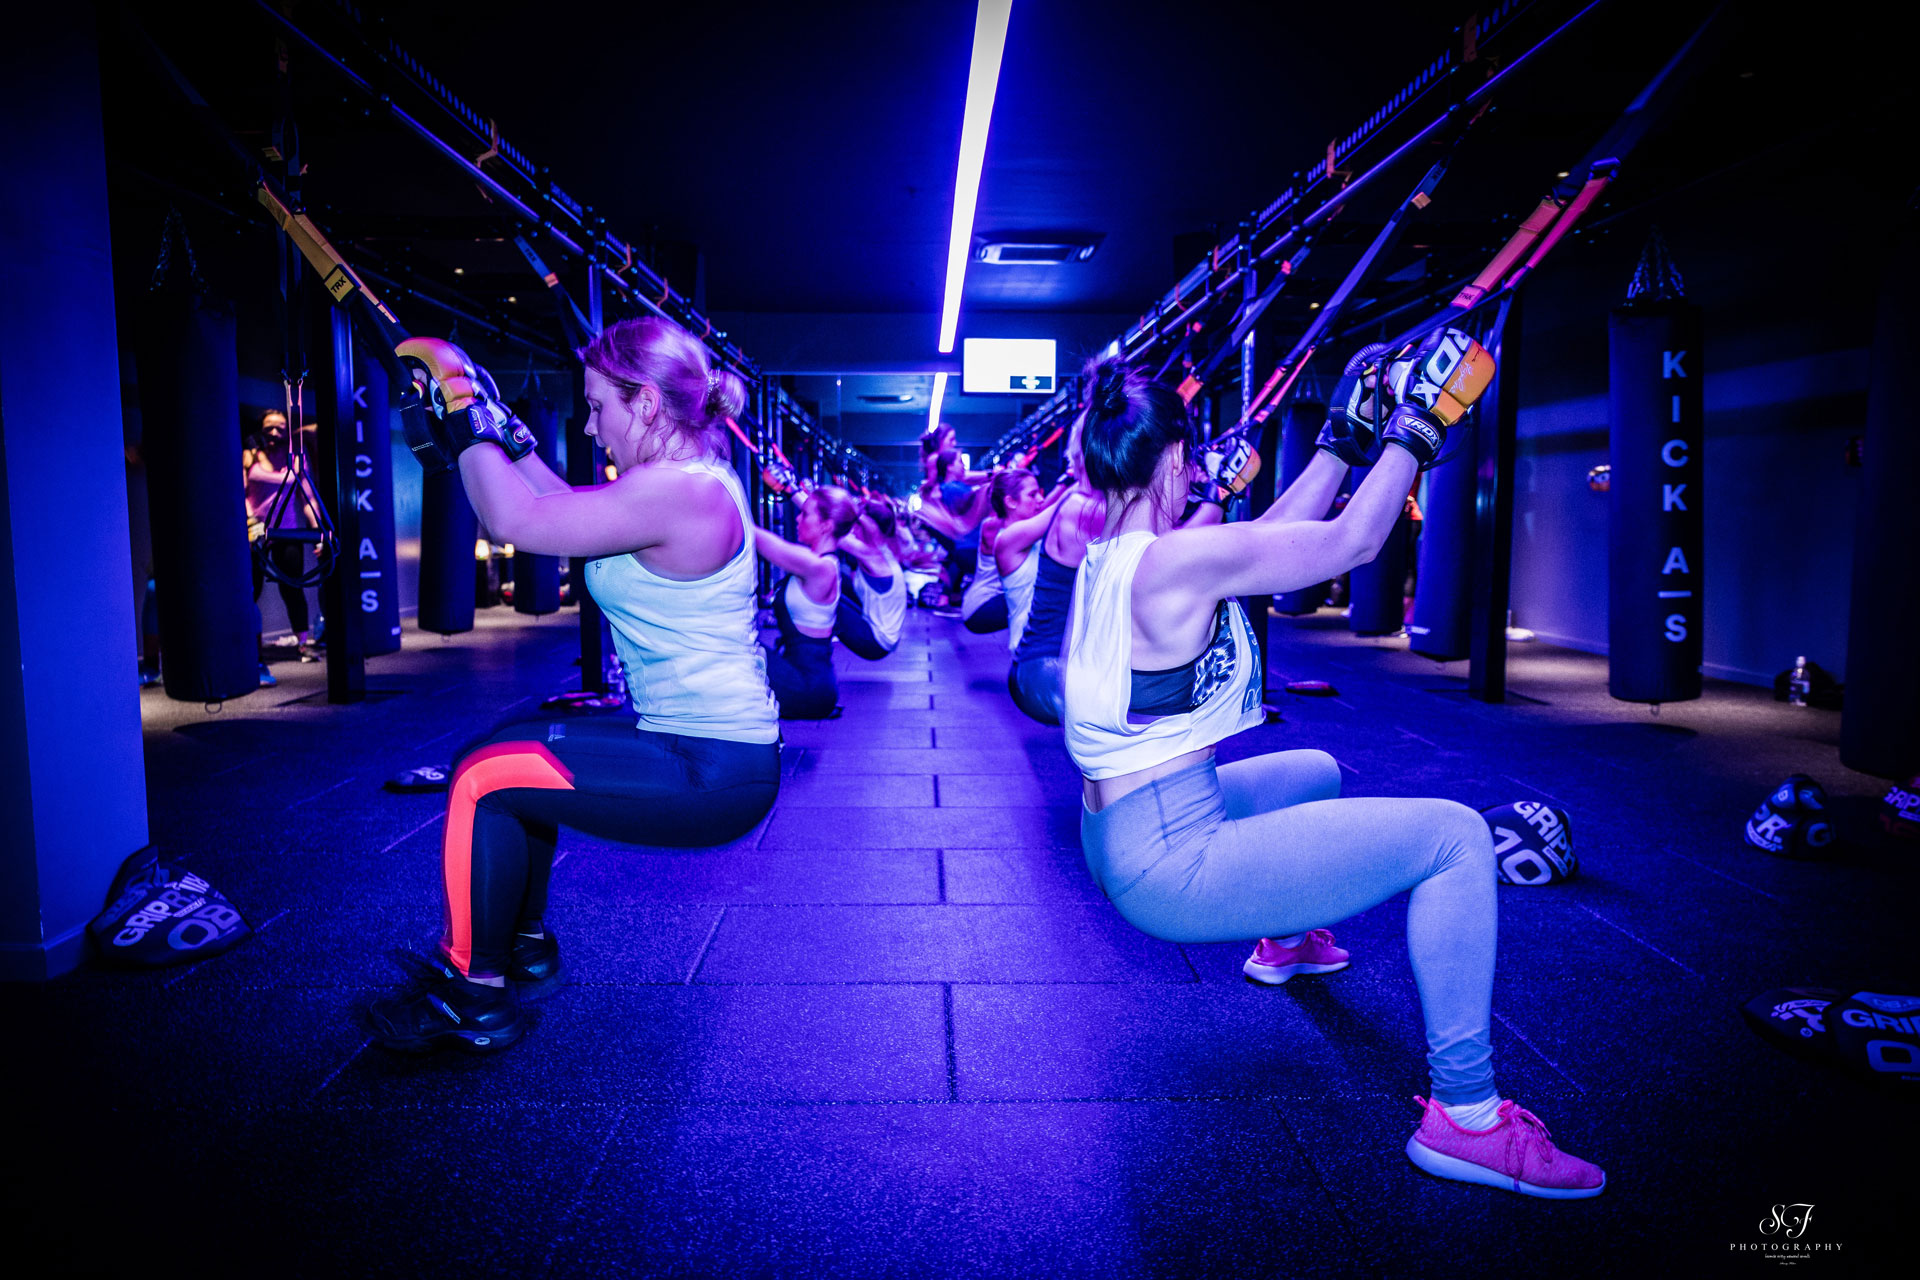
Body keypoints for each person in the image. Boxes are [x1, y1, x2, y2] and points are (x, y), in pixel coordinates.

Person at [1061, 355, 1605, 1199]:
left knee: (1311, 769)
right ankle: (1467, 1118)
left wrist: (1344, 443)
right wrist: (1415, 429)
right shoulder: (1173, 562)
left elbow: (1264, 539)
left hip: (1120, 830)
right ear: (1175, 459)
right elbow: (1349, 544)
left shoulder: (1113, 555)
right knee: (1457, 838)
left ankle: (1285, 935)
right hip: (1171, 863)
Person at [366, 318, 780, 1054]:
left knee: (482, 777)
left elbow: (516, 519)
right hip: (697, 745)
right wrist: (506, 433)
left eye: (598, 407)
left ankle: (475, 996)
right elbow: (557, 502)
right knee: (515, 750)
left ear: (646, 404)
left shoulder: (681, 496)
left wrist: (462, 399)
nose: (591, 427)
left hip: (710, 768)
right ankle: (518, 946)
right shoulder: (683, 484)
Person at [755, 486, 860, 719]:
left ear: (826, 526)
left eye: (806, 514)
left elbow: (761, 540)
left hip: (808, 687)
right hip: (804, 678)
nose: (798, 518)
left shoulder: (820, 568)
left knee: (738, 652)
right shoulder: (822, 563)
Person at [244, 410, 319, 661]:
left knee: (292, 588)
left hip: (287, 530)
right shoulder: (250, 455)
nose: (275, 433)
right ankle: (251, 652)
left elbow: (307, 497)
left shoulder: (296, 459)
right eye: (269, 428)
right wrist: (250, 521)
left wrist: (318, 531)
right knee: (250, 591)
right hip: (255, 532)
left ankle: (302, 644)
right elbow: (240, 492)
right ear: (260, 430)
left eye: (280, 428)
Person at [987, 467, 1067, 653]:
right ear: (1011, 502)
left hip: (1040, 646)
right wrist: (1082, 476)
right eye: (1032, 495)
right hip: (1029, 649)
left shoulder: (1031, 536)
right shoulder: (1007, 538)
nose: (1040, 499)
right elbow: (1059, 509)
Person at [835, 498, 908, 660]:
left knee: (820, 594)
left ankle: (810, 664)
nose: (852, 529)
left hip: (875, 642)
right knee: (832, 575)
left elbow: (828, 529)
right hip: (872, 627)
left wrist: (791, 491)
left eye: (856, 525)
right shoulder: (882, 549)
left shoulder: (873, 555)